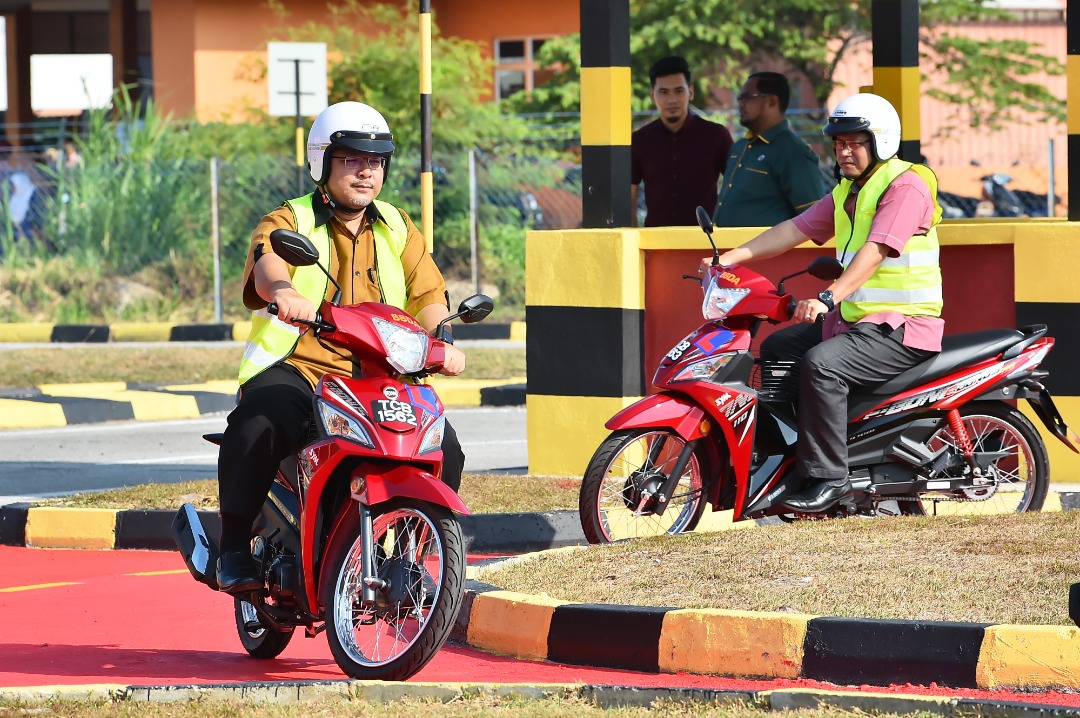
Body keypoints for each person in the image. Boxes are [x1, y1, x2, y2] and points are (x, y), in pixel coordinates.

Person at [215, 101, 469, 592]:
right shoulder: (293, 217)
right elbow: (268, 258)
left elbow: (428, 292)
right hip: (302, 366)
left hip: (377, 376)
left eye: (375, 161)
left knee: (447, 449)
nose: (365, 171)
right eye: (351, 158)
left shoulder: (397, 225)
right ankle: (232, 549)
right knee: (260, 421)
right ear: (323, 161)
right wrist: (283, 292)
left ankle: (407, 558)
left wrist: (443, 338)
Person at [708, 93, 944, 513]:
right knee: (779, 349)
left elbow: (877, 250)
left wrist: (827, 297)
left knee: (821, 364)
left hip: (904, 327)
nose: (844, 151)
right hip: (859, 324)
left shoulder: (906, 185)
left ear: (881, 142)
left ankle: (830, 479)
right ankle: (793, 458)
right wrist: (726, 258)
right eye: (838, 143)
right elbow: (790, 230)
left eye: (854, 142)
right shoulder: (847, 193)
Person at [712, 72, 827, 227]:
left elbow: (815, 219)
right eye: (740, 98)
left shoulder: (793, 153)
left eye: (747, 97)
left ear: (772, 101)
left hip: (767, 251)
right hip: (727, 249)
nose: (740, 103)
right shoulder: (739, 147)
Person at [630, 55, 733, 227]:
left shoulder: (716, 135)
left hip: (706, 240)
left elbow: (735, 188)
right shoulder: (639, 141)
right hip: (656, 242)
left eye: (679, 91)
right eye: (663, 92)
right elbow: (629, 203)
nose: (672, 100)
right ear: (652, 96)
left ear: (690, 92)